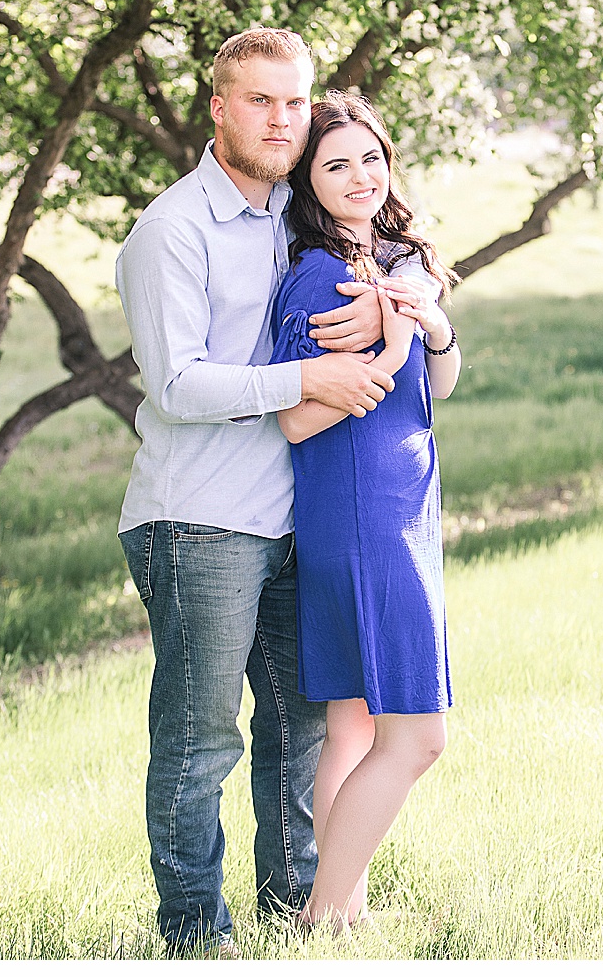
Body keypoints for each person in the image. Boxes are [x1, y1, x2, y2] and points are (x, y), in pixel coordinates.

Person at [115, 29, 406, 956]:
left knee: (301, 732)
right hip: (195, 520)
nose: (281, 119)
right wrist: (307, 382)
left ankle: (295, 915)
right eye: (259, 101)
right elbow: (178, 385)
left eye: (293, 102)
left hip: (291, 517)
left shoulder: (293, 213)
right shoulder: (173, 230)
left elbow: (392, 234)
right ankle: (196, 937)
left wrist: (410, 300)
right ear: (218, 108)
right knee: (202, 743)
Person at [267, 91, 463, 933]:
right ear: (310, 181)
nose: (359, 177)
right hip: (362, 515)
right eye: (335, 163)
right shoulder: (319, 273)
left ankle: (346, 911)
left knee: (351, 727)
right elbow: (295, 417)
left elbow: (438, 387)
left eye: (370, 158)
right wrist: (384, 350)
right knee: (419, 739)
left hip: (400, 504)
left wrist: (434, 330)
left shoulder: (394, 258)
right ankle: (318, 916)